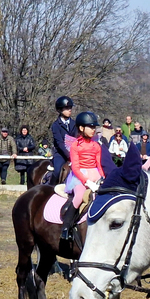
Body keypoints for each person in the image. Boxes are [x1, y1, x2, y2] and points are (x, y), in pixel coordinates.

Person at [60, 111, 105, 242]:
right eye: (90, 127)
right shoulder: (75, 146)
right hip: (79, 176)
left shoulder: (96, 145)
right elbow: (75, 167)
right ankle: (65, 228)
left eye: (94, 127)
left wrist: (102, 178)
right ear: (81, 128)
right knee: (79, 196)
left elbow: (99, 165)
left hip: (95, 174)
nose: (93, 130)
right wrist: (86, 181)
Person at [50, 95, 76, 177]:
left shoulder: (74, 123)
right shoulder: (56, 125)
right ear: (60, 110)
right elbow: (59, 143)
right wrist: (69, 155)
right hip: (60, 154)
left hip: (75, 153)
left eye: (70, 107)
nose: (70, 110)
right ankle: (52, 187)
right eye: (67, 108)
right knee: (57, 172)